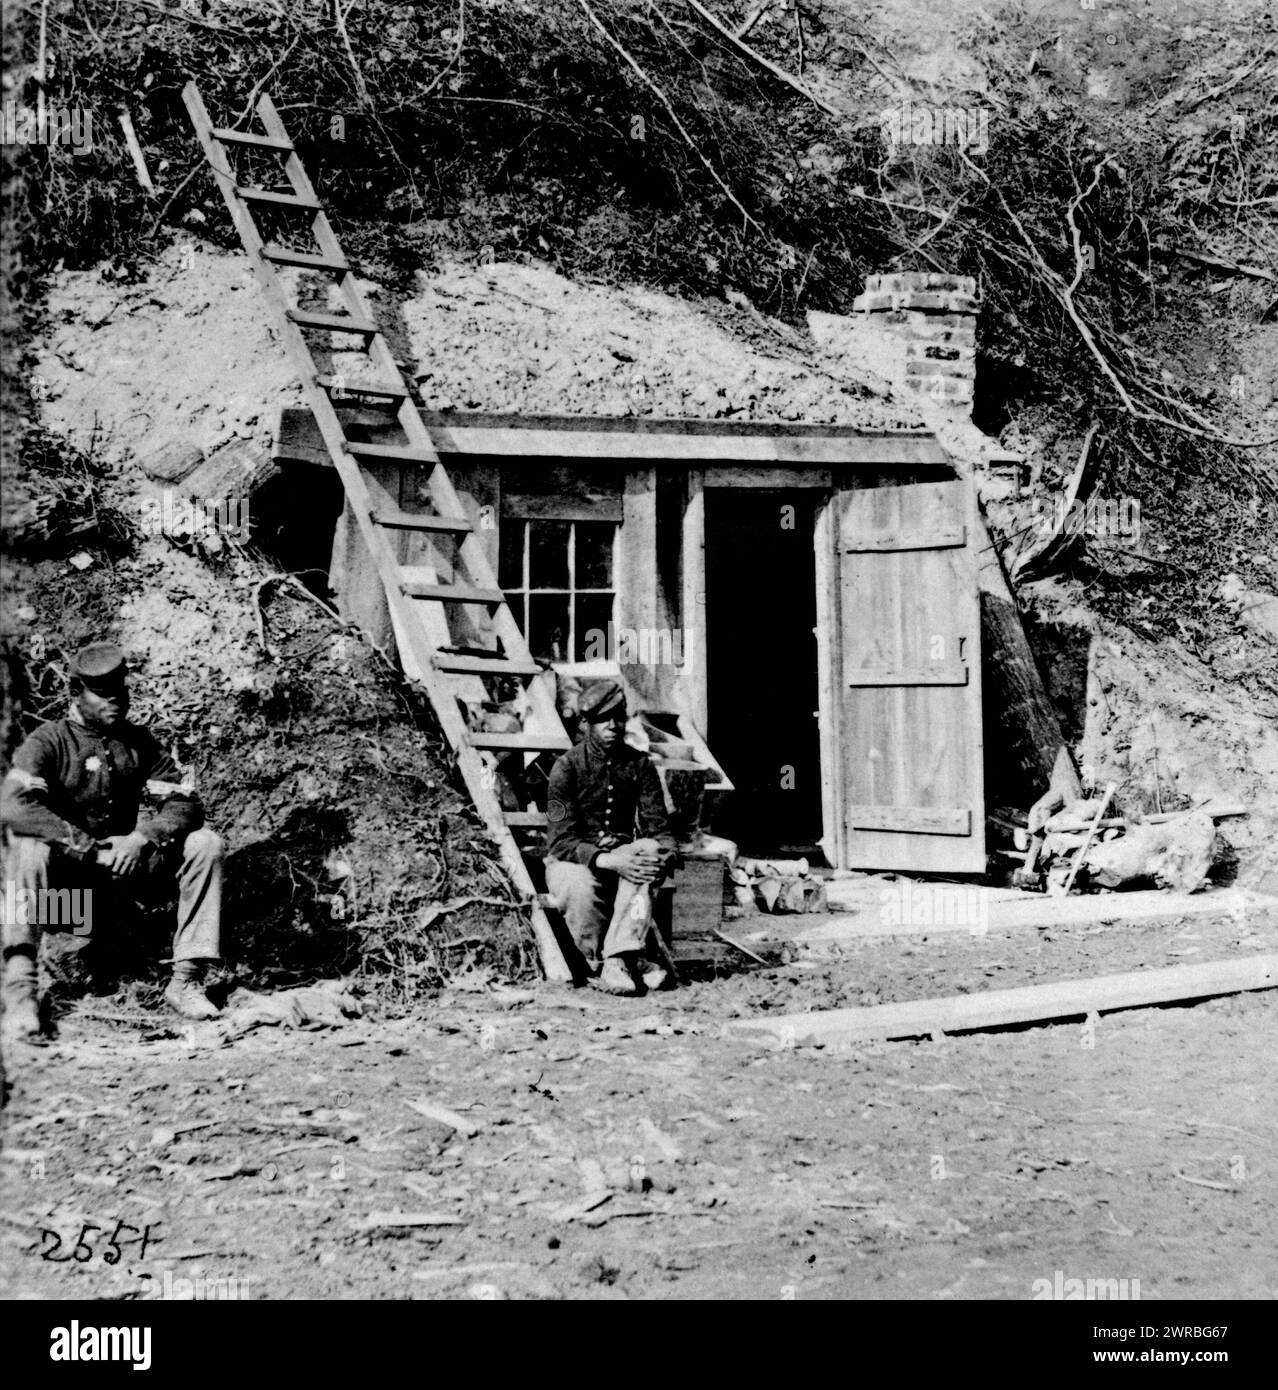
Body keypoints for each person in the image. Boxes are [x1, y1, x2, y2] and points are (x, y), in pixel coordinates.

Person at [0, 642, 225, 1043]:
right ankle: (21, 992)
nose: (115, 702)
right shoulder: (49, 742)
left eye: (120, 693)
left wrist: (141, 838)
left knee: (205, 843)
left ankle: (186, 980)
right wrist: (88, 847)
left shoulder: (138, 743)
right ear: (75, 694)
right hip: (67, 903)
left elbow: (185, 804)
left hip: (124, 891)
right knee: (27, 845)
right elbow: (13, 806)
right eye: (103, 695)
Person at [544, 680, 675, 995]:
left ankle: (619, 958)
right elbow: (560, 841)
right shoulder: (565, 768)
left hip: (622, 855)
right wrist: (609, 861)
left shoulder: (639, 764)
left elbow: (659, 828)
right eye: (604, 719)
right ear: (586, 723)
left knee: (648, 853)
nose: (614, 725)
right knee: (579, 887)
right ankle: (603, 963)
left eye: (619, 717)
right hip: (573, 859)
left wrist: (661, 853)